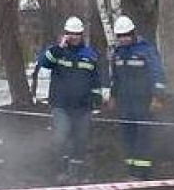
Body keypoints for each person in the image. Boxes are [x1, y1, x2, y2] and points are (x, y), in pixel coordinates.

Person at [30, 16, 103, 180]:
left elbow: (95, 77)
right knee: (62, 135)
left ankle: (76, 172)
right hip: (61, 105)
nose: (74, 37)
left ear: (82, 35)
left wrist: (97, 96)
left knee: (81, 138)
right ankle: (63, 169)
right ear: (65, 34)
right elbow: (43, 62)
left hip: (83, 106)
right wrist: (58, 48)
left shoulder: (89, 54)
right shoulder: (57, 52)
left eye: (77, 33)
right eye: (70, 33)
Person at [109, 15, 166, 179]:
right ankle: (131, 170)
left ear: (132, 33)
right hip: (125, 102)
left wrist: (157, 97)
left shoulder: (146, 50)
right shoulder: (118, 53)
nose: (123, 39)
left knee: (143, 135)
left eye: (126, 35)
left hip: (143, 101)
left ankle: (143, 172)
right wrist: (113, 97)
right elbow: (116, 79)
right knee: (128, 135)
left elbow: (158, 75)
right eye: (120, 36)